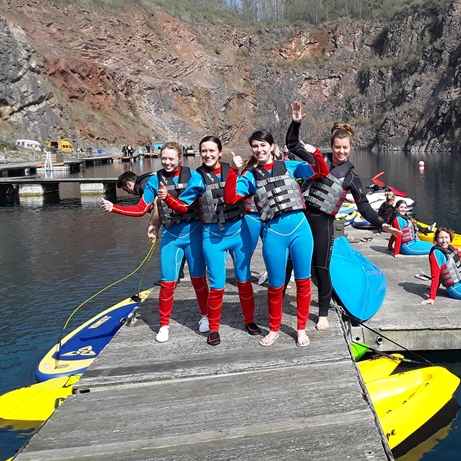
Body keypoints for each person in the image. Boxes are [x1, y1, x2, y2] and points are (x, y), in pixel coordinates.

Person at [285, 102, 401, 330]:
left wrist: (382, 224)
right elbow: (291, 144)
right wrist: (296, 122)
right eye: (337, 147)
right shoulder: (316, 160)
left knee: (321, 268)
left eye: (345, 148)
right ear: (331, 146)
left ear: (350, 148)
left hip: (324, 224)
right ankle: (280, 300)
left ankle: (323, 314)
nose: (341, 151)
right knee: (290, 260)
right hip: (302, 219)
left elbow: (364, 207)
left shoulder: (351, 178)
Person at [224, 129, 328, 347]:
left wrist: (315, 153)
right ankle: (274, 329)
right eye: (255, 146)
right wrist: (234, 171)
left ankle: (300, 329)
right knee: (275, 286)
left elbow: (321, 172)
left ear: (271, 146)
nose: (259, 149)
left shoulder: (289, 166)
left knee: (303, 282)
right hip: (273, 233)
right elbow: (231, 197)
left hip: (300, 229)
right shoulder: (250, 176)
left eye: (263, 145)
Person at [101, 142, 209, 343]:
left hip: (193, 233)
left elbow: (184, 207)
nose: (167, 162)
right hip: (171, 236)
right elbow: (142, 209)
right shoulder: (153, 180)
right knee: (168, 283)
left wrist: (166, 198)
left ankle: (205, 316)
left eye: (171, 158)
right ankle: (164, 325)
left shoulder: (194, 177)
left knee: (198, 279)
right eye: (164, 159)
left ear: (180, 159)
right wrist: (114, 207)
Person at [158, 136, 259, 346]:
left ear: (220, 152)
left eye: (212, 150)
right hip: (212, 236)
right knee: (217, 284)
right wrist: (167, 198)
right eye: (203, 151)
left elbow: (253, 189)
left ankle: (249, 320)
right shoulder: (197, 177)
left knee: (243, 279)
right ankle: (214, 328)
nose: (208, 154)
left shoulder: (234, 170)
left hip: (239, 232)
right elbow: (183, 206)